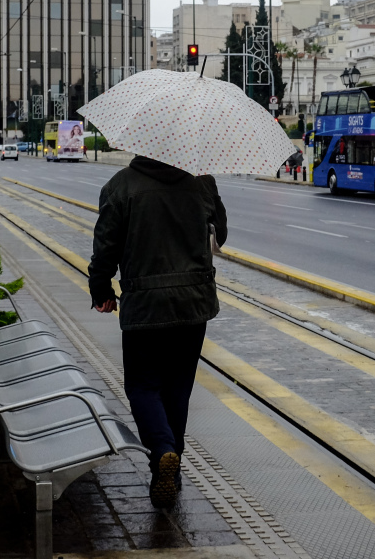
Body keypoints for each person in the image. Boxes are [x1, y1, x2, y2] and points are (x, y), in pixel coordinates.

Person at [88, 155, 227, 509]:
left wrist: (101, 290)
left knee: (143, 386)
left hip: (145, 306)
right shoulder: (202, 181)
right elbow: (220, 235)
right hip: (193, 304)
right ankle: (170, 469)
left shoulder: (121, 186)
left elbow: (106, 247)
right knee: (178, 388)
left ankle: (163, 452)